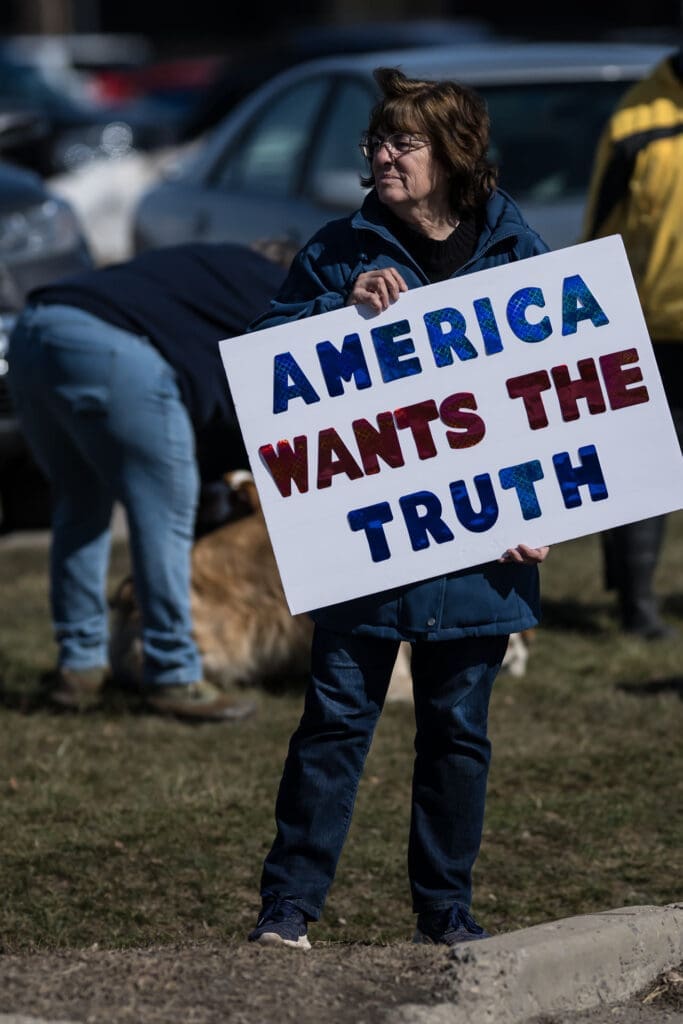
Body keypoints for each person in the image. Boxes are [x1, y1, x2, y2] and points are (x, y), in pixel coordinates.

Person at [246, 67, 550, 950]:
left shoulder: (515, 251)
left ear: (453, 155)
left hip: (483, 540)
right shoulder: (339, 249)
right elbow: (267, 360)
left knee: (457, 731)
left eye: (402, 143)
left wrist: (547, 506)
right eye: (375, 142)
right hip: (367, 542)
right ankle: (289, 907)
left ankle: (445, 908)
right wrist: (337, 310)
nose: (381, 155)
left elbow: (552, 398)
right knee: (335, 722)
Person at [7, 241, 290, 720]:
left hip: (32, 334)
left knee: (79, 509)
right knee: (165, 519)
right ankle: (174, 672)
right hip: (113, 351)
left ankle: (79, 669)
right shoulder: (281, 290)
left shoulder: (208, 266)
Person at [582, 46, 683, 639]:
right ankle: (637, 605)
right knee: (641, 471)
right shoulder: (635, 123)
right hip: (655, 327)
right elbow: (599, 230)